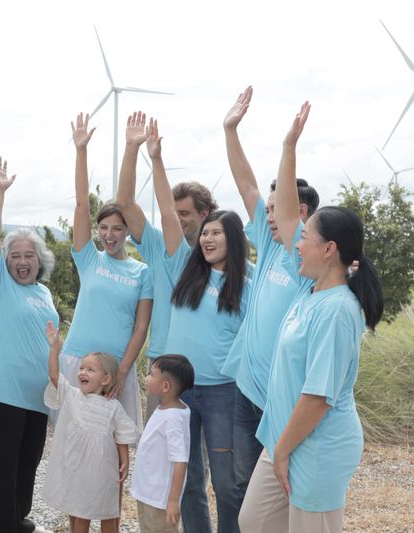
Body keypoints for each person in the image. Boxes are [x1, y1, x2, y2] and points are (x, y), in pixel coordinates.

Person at [238, 102, 384, 532]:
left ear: (330, 249)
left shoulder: (339, 310)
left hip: (315, 447)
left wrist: (282, 451)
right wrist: (288, 146)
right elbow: (285, 215)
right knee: (255, 522)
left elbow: (319, 397)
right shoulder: (310, 292)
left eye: (307, 239)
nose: (295, 244)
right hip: (284, 438)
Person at [146, 116, 251, 533]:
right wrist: (156, 159)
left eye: (216, 233)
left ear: (234, 238)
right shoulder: (185, 267)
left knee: (227, 483)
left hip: (224, 390)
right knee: (186, 482)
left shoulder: (250, 279)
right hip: (182, 391)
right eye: (204, 233)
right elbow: (170, 217)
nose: (207, 239)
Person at [220, 86, 320, 500]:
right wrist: (229, 131)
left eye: (277, 209)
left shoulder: (303, 259)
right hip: (246, 389)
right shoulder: (268, 240)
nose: (267, 215)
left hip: (282, 399)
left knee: (281, 491)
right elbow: (246, 185)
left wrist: (288, 144)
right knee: (244, 485)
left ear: (299, 214)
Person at [115, 111, 218, 419]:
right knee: (160, 445)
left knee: (197, 456)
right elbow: (124, 202)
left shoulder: (220, 255)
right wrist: (133, 149)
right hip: (162, 358)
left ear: (205, 214)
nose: (178, 219)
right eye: (176, 213)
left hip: (205, 363)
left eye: (185, 213)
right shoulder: (157, 243)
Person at [0, 156, 59, 533]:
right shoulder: (0, 285)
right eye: (15, 257)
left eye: (29, 256)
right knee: (0, 469)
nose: (22, 262)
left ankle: (16, 521)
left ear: (39, 260)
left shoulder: (44, 292)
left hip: (37, 397)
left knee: (28, 464)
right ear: (6, 263)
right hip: (3, 395)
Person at [59, 112, 153, 431]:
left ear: (128, 230)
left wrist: (124, 372)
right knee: (74, 444)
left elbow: (140, 329)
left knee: (114, 448)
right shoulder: (89, 259)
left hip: (115, 369)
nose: (109, 235)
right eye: (103, 228)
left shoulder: (142, 272)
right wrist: (81, 150)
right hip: (77, 361)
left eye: (117, 228)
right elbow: (81, 206)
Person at [42, 321, 139, 533]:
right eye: (81, 368)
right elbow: (54, 375)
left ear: (106, 379)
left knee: (108, 513)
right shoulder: (72, 395)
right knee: (79, 514)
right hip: (76, 469)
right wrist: (54, 347)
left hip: (101, 472)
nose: (82, 372)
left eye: (90, 369)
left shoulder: (113, 407)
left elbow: (122, 435)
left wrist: (125, 461)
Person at [131, 355, 193, 533]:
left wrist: (173, 501)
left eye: (151, 375)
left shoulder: (173, 418)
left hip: (160, 500)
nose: (146, 378)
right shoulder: (166, 409)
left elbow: (180, 461)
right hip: (148, 494)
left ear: (166, 386)